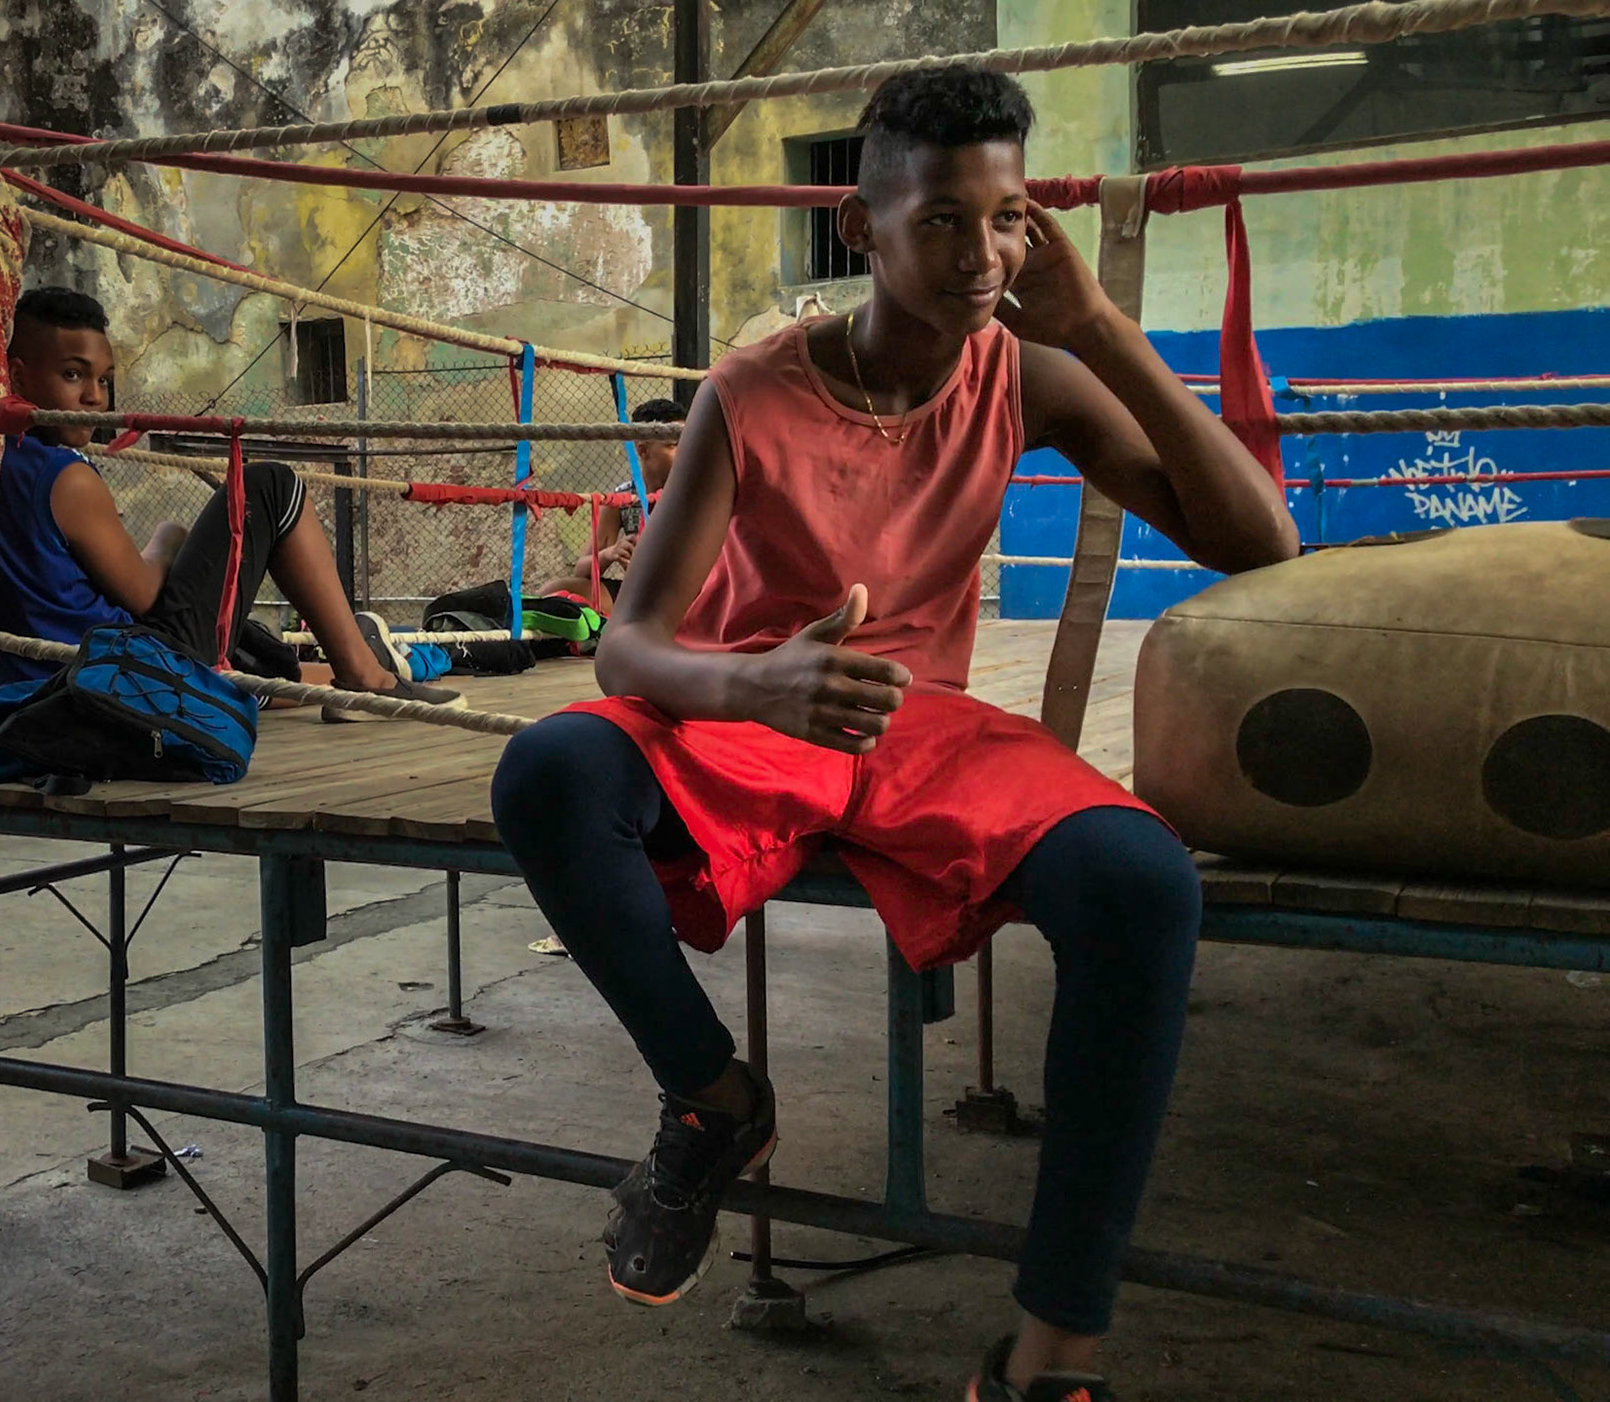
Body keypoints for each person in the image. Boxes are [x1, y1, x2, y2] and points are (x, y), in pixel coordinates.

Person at [491, 67, 1297, 1402]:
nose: (982, 254)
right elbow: (629, 644)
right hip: (760, 698)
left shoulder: (1027, 374)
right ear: (860, 229)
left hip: (913, 723)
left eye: (1010, 218)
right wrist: (756, 687)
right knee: (553, 767)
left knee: (1143, 883)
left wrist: (1099, 325)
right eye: (941, 219)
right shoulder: (755, 388)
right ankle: (712, 1101)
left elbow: (1256, 537)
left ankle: (1052, 1356)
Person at [0, 287, 461, 714]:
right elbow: (141, 593)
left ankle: (364, 666)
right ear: (18, 376)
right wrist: (166, 540)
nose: (95, 397)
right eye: (74, 375)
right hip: (116, 680)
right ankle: (366, 677)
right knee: (270, 487)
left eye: (103, 379)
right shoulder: (65, 477)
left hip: (32, 687)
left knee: (247, 656)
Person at [539, 398, 684, 613]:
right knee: (553, 591)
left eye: (688, 443)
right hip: (641, 593)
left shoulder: (697, 490)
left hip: (692, 594)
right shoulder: (624, 498)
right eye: (673, 445)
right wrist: (611, 553)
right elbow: (581, 570)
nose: (686, 452)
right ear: (642, 450)